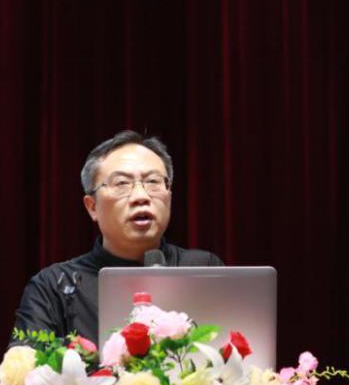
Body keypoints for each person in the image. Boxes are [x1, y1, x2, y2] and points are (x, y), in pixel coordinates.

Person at [12, 130, 223, 344]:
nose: (141, 196)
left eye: (153, 181)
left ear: (169, 195)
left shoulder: (204, 269)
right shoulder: (54, 286)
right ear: (92, 207)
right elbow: (25, 361)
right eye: (122, 184)